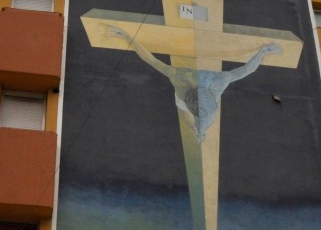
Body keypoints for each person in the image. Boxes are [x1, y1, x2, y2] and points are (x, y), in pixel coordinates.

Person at [106, 26, 282, 143]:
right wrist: (263, 51)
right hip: (195, 104)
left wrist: (127, 37)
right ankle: (199, 132)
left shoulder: (187, 81)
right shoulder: (215, 81)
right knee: (196, 126)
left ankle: (198, 132)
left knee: (193, 123)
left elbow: (150, 60)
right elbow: (247, 70)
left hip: (191, 103)